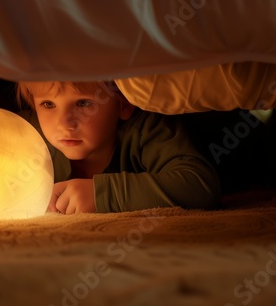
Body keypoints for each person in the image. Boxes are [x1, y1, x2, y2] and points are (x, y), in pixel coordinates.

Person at [16, 80, 221, 214]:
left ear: (124, 104)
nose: (65, 124)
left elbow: (199, 185)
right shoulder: (23, 135)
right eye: (48, 105)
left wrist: (100, 194)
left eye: (83, 104)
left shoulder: (147, 128)